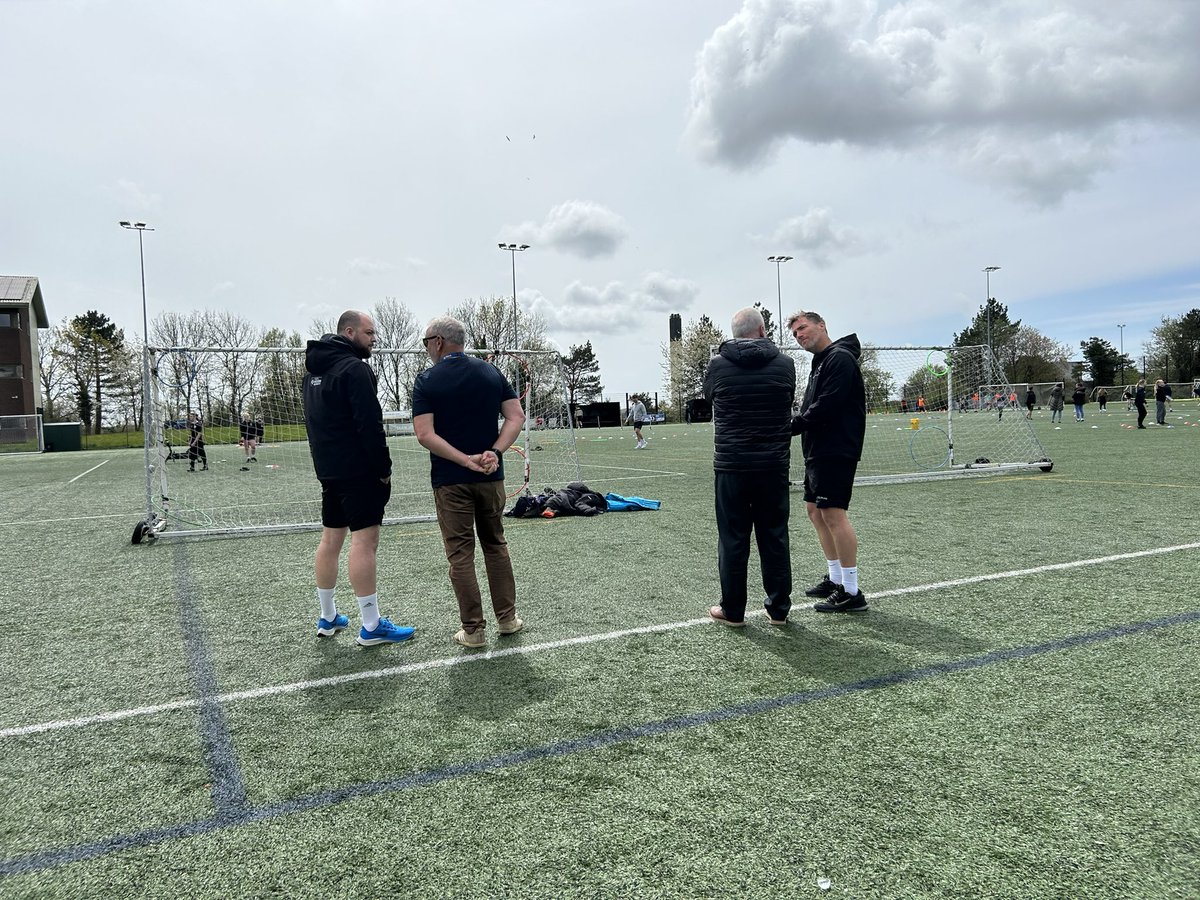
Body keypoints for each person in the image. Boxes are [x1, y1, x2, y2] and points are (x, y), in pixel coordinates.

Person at [413, 316, 525, 649]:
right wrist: (494, 453)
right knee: (495, 544)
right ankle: (508, 619)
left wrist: (465, 460)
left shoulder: (428, 380)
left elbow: (424, 434)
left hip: (451, 481)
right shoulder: (491, 372)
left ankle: (473, 631)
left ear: (437, 342)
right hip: (491, 478)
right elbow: (515, 416)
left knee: (460, 555)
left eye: (426, 343)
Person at [304, 310, 414, 647]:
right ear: (349, 332)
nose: (374, 339)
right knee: (364, 542)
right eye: (369, 333)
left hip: (329, 471)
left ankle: (328, 617)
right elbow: (370, 425)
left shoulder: (311, 373)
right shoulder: (355, 369)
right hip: (359, 472)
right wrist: (383, 469)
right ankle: (371, 624)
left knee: (330, 540)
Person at [702, 307, 795, 628]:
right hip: (773, 464)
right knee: (774, 535)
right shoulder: (786, 364)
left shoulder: (717, 365)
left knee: (732, 538)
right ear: (763, 330)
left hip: (732, 465)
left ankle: (733, 610)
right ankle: (779, 609)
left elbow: (710, 397)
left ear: (734, 333)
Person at [788, 309, 868, 613]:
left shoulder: (840, 358)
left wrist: (792, 426)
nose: (799, 335)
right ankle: (836, 579)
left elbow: (828, 405)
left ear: (822, 325)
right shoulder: (820, 361)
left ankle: (851, 590)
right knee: (815, 512)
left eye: (803, 328)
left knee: (833, 515)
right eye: (795, 333)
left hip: (836, 449)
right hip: (817, 450)